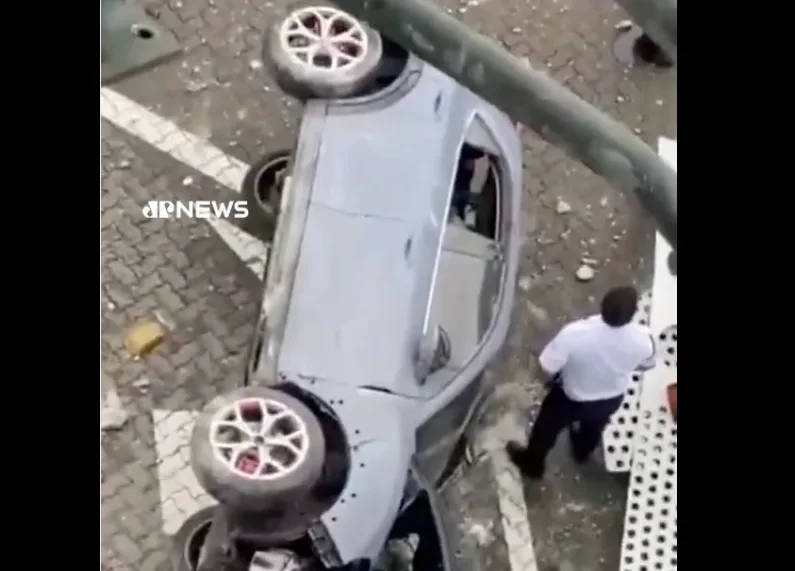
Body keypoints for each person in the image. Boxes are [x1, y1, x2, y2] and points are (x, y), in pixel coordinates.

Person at [507, 286, 656, 479]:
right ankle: (582, 452)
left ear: (602, 306)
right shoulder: (644, 340)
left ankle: (533, 465)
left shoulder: (574, 334)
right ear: (633, 313)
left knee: (545, 431)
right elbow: (646, 365)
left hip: (570, 398)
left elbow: (548, 366)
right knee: (594, 428)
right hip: (610, 398)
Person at [451, 144, 485, 221]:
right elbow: (478, 152)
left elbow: (479, 153)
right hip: (458, 189)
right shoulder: (461, 149)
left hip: (460, 189)